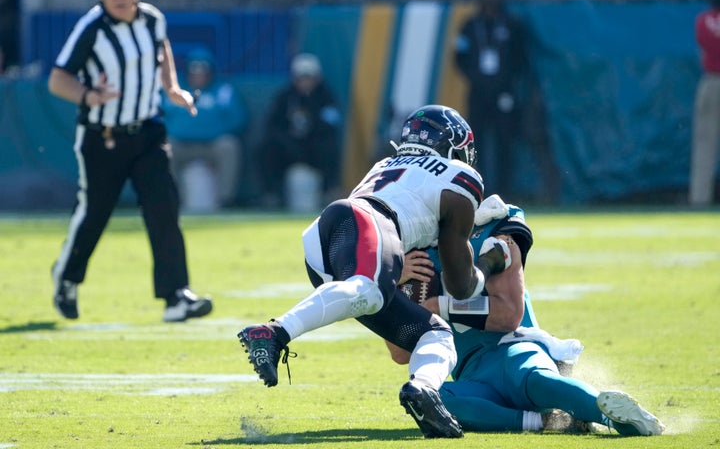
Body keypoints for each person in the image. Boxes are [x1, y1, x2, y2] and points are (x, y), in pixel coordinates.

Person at [237, 105, 515, 438]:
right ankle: (273, 332)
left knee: (436, 335)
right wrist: (489, 262)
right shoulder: (460, 177)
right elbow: (460, 283)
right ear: (455, 147)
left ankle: (423, 390)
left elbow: (410, 216)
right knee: (367, 289)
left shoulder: (386, 163)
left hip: (329, 240)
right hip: (369, 223)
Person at [388, 195, 666, 436]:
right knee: (427, 399)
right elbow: (401, 353)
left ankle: (619, 419)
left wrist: (440, 306)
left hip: (514, 348)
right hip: (472, 375)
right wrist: (393, 285)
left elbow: (509, 315)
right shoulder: (412, 254)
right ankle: (545, 421)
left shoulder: (493, 228)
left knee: (535, 380)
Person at [48, 0, 212, 323]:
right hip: (102, 136)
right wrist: (89, 95)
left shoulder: (153, 19)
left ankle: (175, 296)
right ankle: (66, 277)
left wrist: (171, 87)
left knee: (163, 207)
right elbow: (57, 79)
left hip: (148, 131)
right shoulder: (92, 28)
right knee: (95, 214)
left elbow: (162, 47)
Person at [454, 0, 529, 198]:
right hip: (478, 92)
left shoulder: (512, 24)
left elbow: (521, 58)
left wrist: (506, 82)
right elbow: (458, 56)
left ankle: (505, 192)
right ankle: (478, 191)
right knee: (475, 145)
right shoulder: (469, 25)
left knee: (505, 142)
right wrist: (475, 77)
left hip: (504, 92)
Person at [162, 47, 248, 210]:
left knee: (228, 145)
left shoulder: (223, 91)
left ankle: (225, 200)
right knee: (165, 147)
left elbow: (239, 119)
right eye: (194, 71)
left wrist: (214, 131)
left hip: (212, 145)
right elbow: (160, 116)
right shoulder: (175, 91)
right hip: (181, 144)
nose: (198, 75)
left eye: (203, 71)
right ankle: (171, 199)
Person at [257, 53, 343, 209]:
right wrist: (289, 140)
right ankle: (272, 194)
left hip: (314, 149)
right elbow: (273, 125)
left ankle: (329, 190)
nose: (305, 82)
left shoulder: (326, 97)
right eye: (301, 78)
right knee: (267, 147)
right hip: (290, 147)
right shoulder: (285, 97)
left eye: (309, 77)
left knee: (328, 147)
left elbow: (330, 127)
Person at [690, 0, 720, 206]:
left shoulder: (703, 21)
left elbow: (704, 43)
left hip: (711, 82)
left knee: (705, 143)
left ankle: (700, 198)